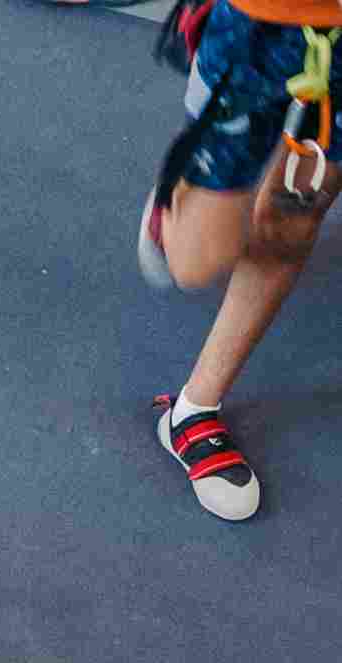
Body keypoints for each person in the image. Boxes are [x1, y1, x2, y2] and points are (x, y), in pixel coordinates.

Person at [137, 1, 337, 521]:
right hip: (261, 25)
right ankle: (176, 195)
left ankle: (191, 411)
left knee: (294, 214)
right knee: (195, 264)